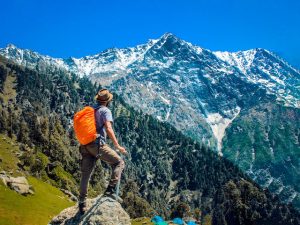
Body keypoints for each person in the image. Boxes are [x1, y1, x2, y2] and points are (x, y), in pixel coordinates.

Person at [78, 88, 127, 214]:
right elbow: (109, 128)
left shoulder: (91, 109)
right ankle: (110, 190)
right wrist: (117, 146)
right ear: (107, 101)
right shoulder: (105, 111)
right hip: (97, 145)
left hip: (85, 145)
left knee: (85, 175)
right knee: (119, 162)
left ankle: (82, 203)